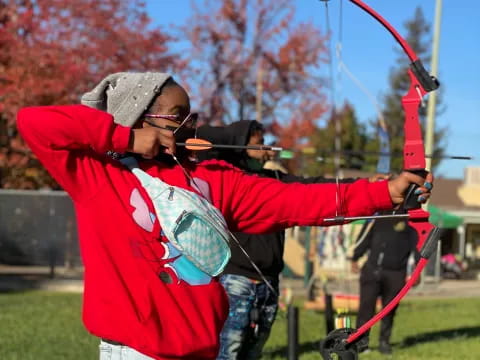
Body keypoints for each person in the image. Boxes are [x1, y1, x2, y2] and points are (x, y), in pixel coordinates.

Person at [17, 71, 433, 360]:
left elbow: (296, 201)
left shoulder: (213, 179)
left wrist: (386, 192)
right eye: (180, 118)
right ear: (143, 116)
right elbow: (34, 122)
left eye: (192, 117)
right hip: (134, 349)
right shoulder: (99, 174)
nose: (191, 127)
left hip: (203, 345)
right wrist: (123, 137)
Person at [196, 119, 363, 360]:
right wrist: (240, 145)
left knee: (253, 352)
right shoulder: (226, 175)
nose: (266, 148)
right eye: (258, 142)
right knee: (227, 351)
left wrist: (365, 185)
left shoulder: (275, 178)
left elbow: (314, 186)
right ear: (239, 144)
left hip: (269, 281)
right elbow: (206, 136)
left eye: (265, 142)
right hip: (235, 279)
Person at [350, 217, 420, 355]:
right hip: (371, 270)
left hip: (396, 272)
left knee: (389, 310)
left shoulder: (410, 220)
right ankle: (361, 344)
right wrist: (355, 257)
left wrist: (417, 270)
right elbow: (364, 237)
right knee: (365, 308)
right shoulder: (376, 216)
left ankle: (384, 342)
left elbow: (417, 246)